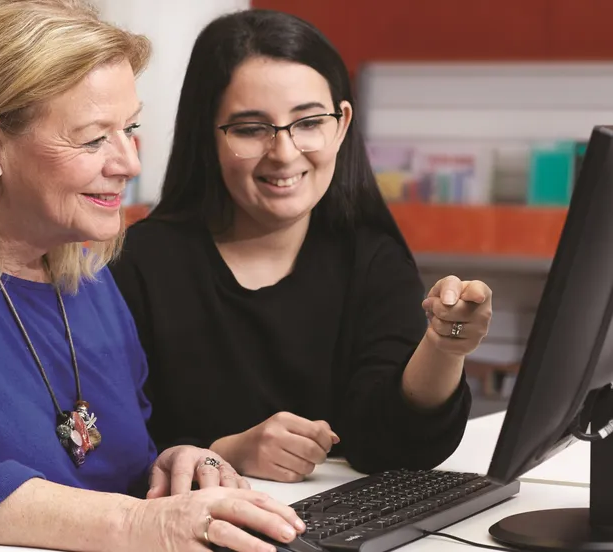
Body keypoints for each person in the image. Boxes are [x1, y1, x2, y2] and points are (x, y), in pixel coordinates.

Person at [0, 2, 306, 552]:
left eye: (129, 129)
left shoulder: (86, 278)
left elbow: (107, 471)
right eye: (93, 139)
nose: (129, 163)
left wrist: (168, 469)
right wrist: (141, 523)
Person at [109, 9, 493, 483]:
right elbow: (104, 452)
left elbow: (392, 446)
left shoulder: (372, 258)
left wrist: (443, 347)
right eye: (251, 129)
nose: (285, 153)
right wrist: (225, 451)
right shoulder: (136, 267)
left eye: (308, 122)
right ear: (206, 136)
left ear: (341, 124)